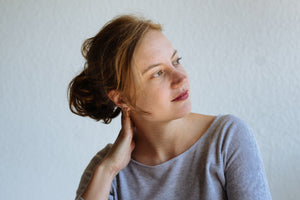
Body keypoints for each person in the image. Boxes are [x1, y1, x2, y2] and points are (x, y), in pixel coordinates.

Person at [68, 15, 272, 200]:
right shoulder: (105, 170)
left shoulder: (227, 139)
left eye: (176, 61)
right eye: (157, 73)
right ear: (121, 99)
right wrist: (108, 170)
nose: (181, 78)